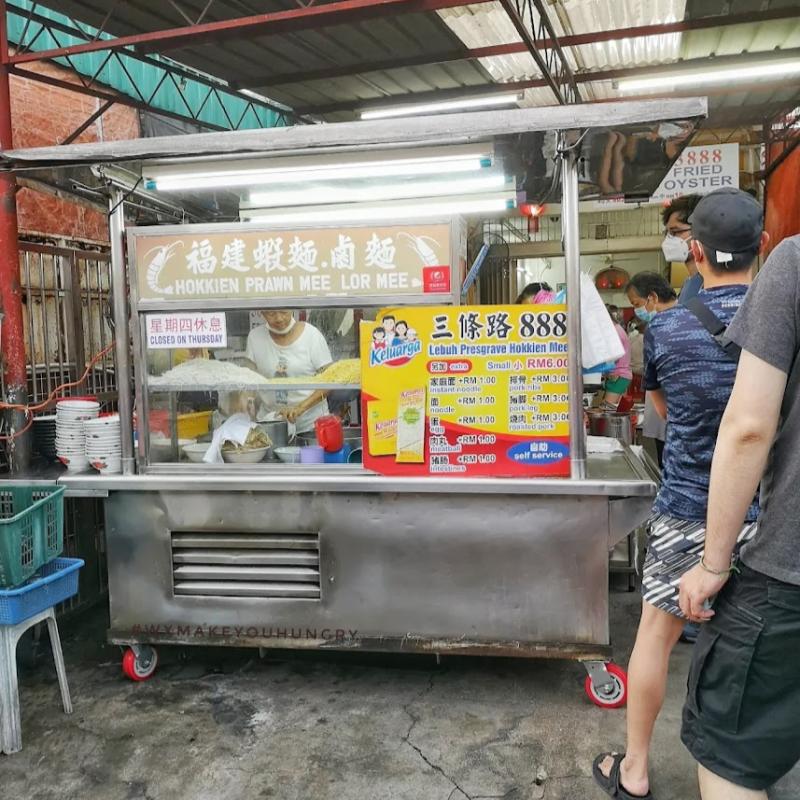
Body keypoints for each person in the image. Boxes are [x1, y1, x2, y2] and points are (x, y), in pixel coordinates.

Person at [593, 188, 768, 800]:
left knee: (654, 637)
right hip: (767, 518)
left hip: (688, 508)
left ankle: (635, 770)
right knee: (754, 652)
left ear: (693, 250)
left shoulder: (665, 330)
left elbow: (663, 410)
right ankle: (741, 772)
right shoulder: (782, 321)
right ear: (762, 246)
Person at [678, 238, 800, 800]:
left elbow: (749, 425)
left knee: (732, 758)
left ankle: (633, 766)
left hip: (784, 568)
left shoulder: (794, 265)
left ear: (695, 251)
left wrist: (713, 562)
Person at [245, 309, 333, 433]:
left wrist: (300, 408)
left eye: (283, 312)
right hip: (270, 424)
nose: (279, 318)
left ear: (291, 309)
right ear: (262, 313)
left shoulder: (311, 335)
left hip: (311, 426)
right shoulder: (255, 338)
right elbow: (248, 381)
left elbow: (330, 380)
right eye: (271, 313)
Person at [626, 273, 677, 467]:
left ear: (653, 297)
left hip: (670, 418)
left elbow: (652, 382)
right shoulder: (692, 315)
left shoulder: (657, 328)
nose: (636, 309)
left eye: (637, 303)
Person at [661, 194, 702, 303]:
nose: (669, 239)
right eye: (668, 233)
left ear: (701, 231)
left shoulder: (713, 284)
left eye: (675, 232)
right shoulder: (688, 284)